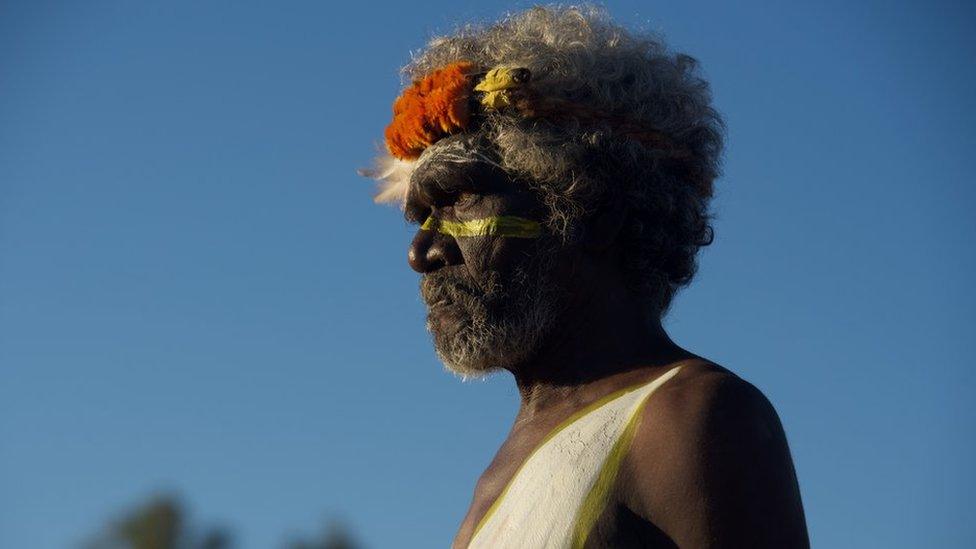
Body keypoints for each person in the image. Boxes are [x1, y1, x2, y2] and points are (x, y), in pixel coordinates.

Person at [364, 6, 808, 548]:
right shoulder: (496, 474)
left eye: (462, 199)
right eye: (421, 217)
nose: (422, 252)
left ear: (590, 212)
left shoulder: (690, 418)